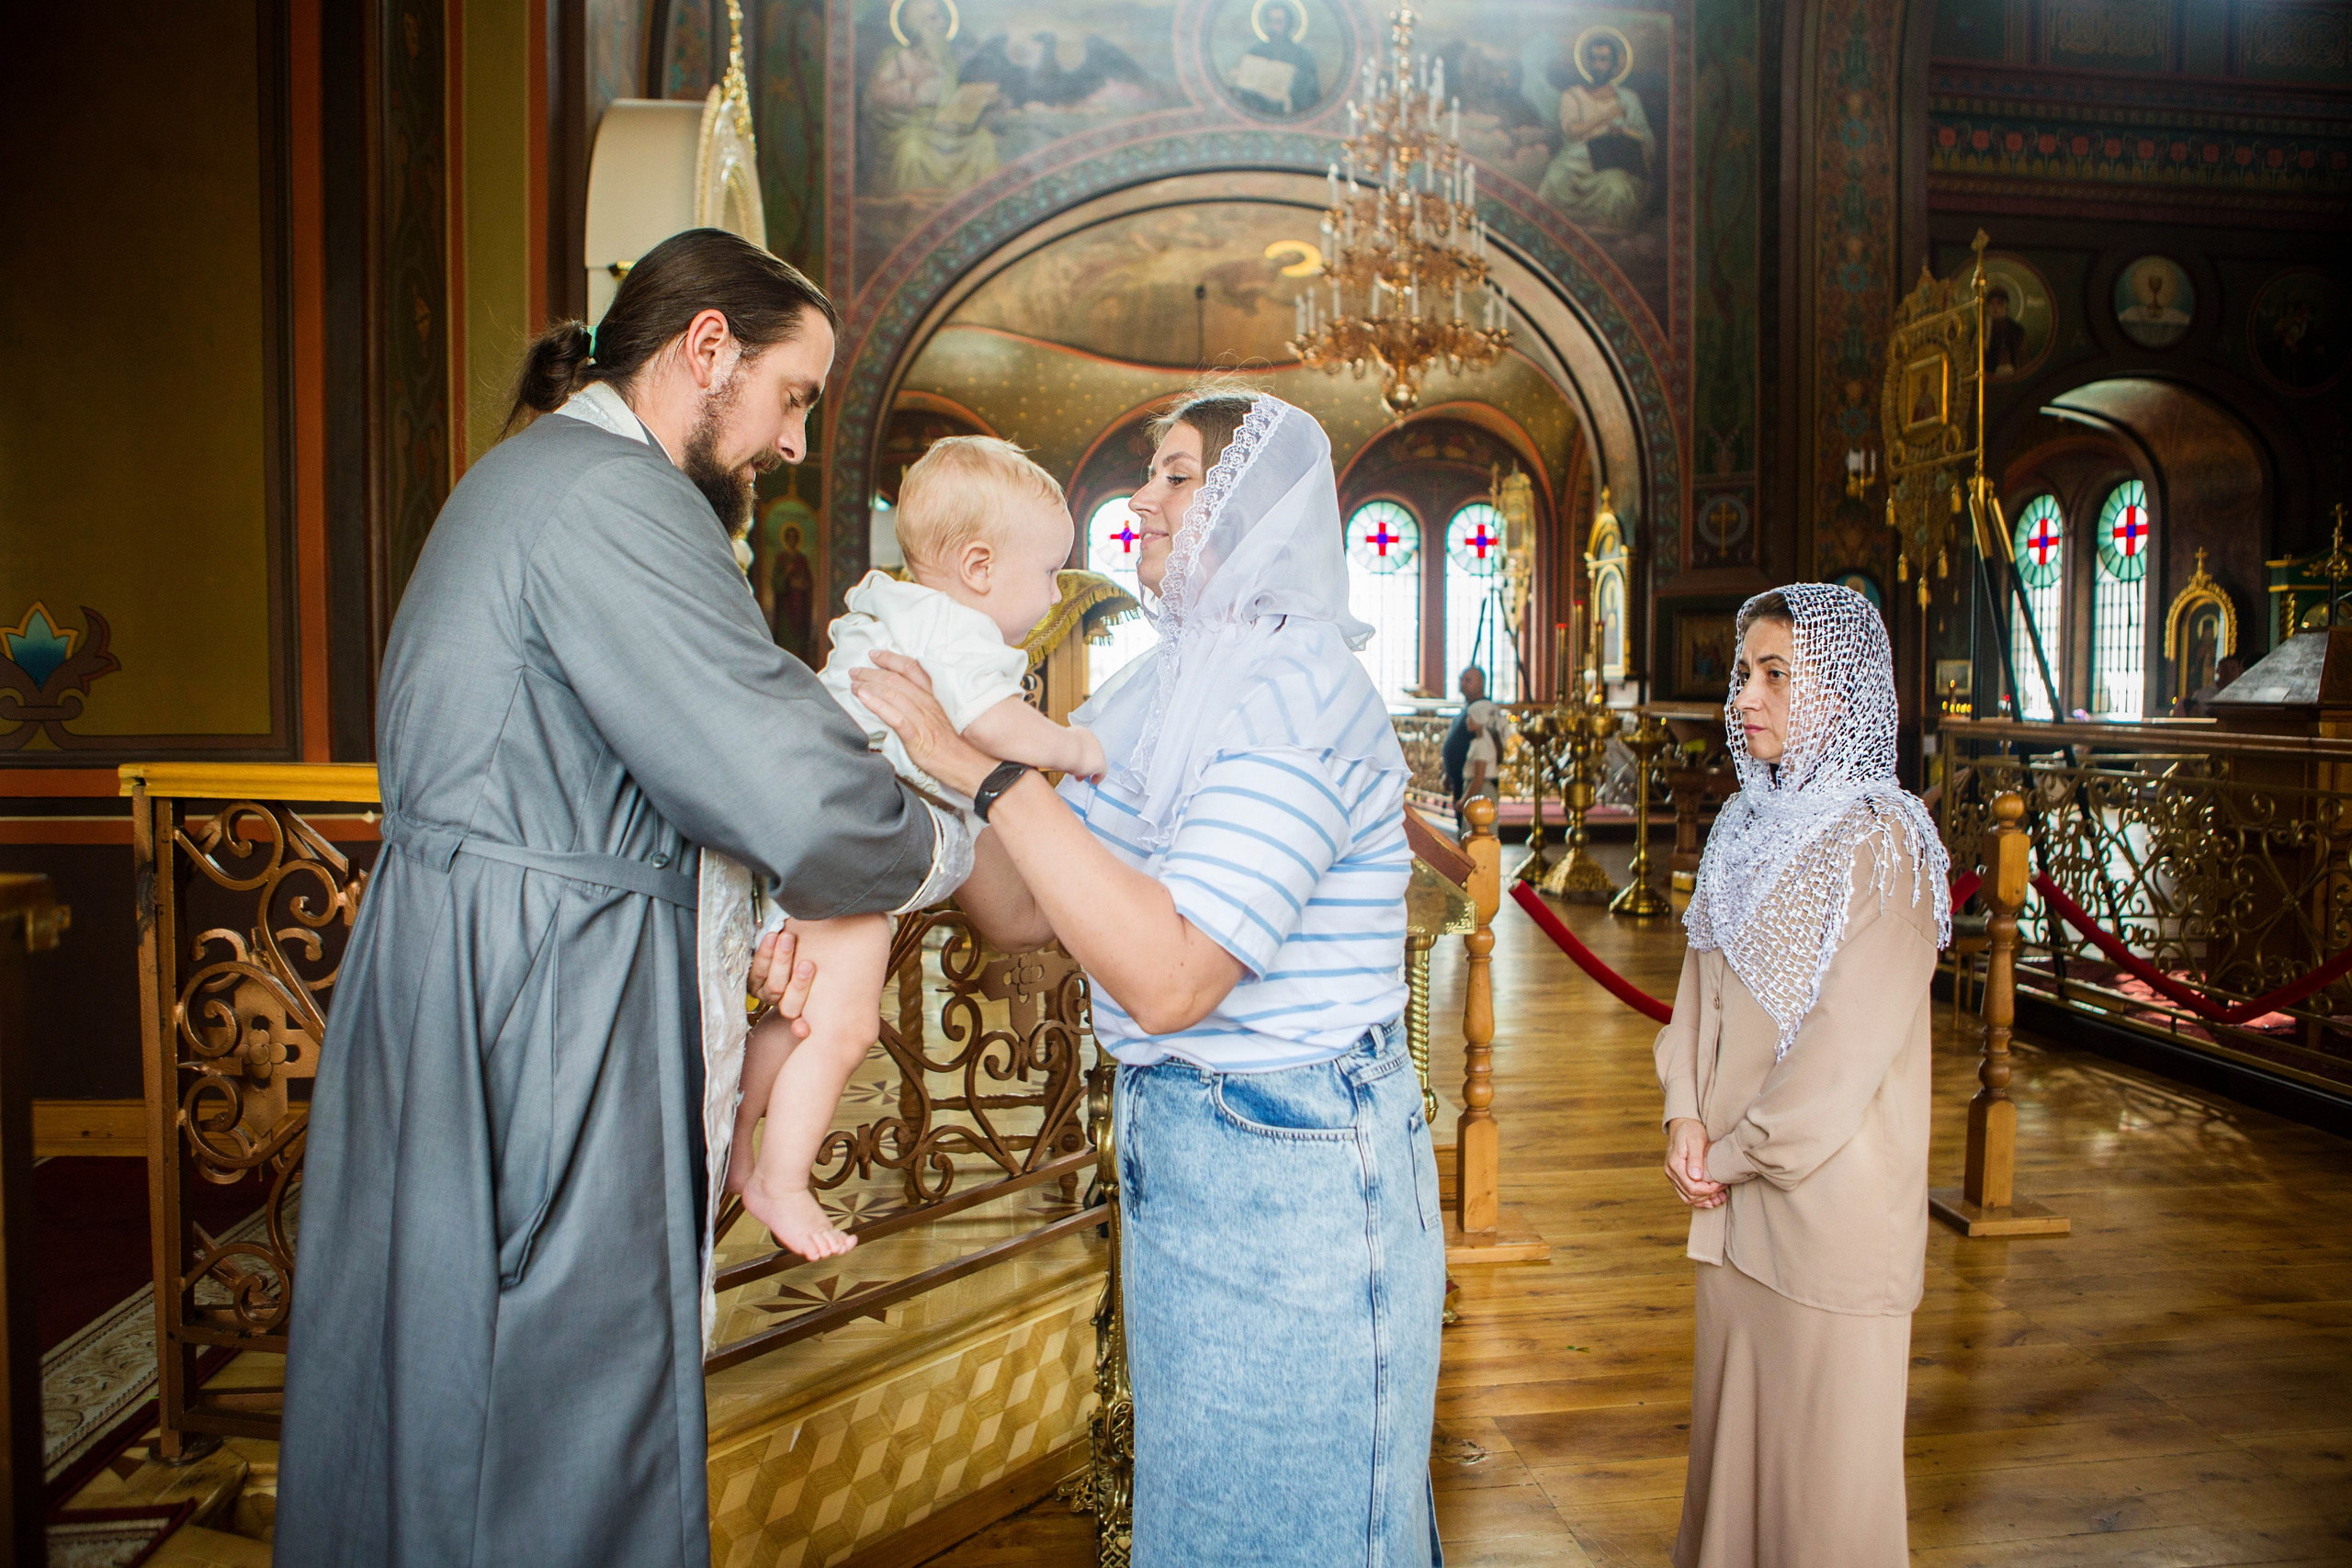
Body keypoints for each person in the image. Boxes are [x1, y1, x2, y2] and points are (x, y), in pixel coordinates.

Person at [276, 229, 971, 1567]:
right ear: (707, 348)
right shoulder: (615, 496)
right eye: (794, 397)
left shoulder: (536, 473)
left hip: (477, 961)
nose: (790, 441)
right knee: (559, 1396)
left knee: (447, 1371)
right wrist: (951, 836)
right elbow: (783, 775)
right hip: (551, 987)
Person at [823, 388, 1446, 1566]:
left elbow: (1168, 976)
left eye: (1172, 477)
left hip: (1298, 1159)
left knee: (1300, 1529)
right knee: (1205, 1526)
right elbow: (1016, 906)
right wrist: (894, 760)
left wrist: (985, 772)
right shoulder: (1154, 688)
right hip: (1178, 1139)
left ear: (1249, 507)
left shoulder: (1299, 687)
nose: (1142, 504)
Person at [729, 435, 1104, 1258]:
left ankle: (739, 1139)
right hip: (848, 837)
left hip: (809, 818)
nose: (1054, 594)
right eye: (1047, 574)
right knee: (844, 1027)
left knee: (797, 1018)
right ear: (978, 566)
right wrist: (1077, 747)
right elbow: (992, 726)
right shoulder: (959, 633)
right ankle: (780, 1182)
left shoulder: (898, 606)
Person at [1654, 582, 1950, 1568]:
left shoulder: (1889, 843)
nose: (1746, 695)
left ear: (1847, 690)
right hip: (1728, 1210)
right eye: (1744, 671)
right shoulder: (1743, 824)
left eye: (1777, 673)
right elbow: (1696, 993)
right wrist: (1682, 1119)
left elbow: (1840, 1053)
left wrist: (1733, 1153)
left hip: (1825, 1222)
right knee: (1732, 1468)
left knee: (1822, 1494)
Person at [1537, 32, 1653, 231]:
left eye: (1603, 60)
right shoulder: (1572, 95)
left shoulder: (1628, 99)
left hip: (1611, 163)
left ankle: (1609, 236)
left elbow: (1646, 138)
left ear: (1614, 65)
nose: (1597, 65)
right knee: (1556, 177)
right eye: (1593, 59)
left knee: (1617, 189)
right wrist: (1605, 116)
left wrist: (1625, 133)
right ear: (1586, 62)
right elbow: (1572, 131)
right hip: (1576, 161)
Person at [1441, 662, 1487, 821]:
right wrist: (1448, 774)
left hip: (1472, 781)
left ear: (1481, 683)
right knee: (1462, 825)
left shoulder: (1482, 710)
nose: (1463, 684)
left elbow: (1484, 750)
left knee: (1472, 824)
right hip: (1459, 778)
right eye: (1462, 679)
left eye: (1468, 680)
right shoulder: (1467, 708)